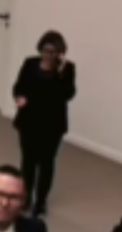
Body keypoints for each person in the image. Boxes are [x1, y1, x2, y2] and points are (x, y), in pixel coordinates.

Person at [12, 31, 76, 217]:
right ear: (41, 48)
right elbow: (19, 86)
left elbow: (68, 94)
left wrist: (60, 73)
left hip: (51, 125)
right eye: (46, 50)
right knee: (28, 162)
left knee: (46, 163)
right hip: (29, 121)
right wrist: (20, 97)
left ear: (60, 53)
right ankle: (26, 198)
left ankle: (40, 201)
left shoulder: (67, 69)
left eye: (53, 52)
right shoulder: (30, 63)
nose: (48, 55)